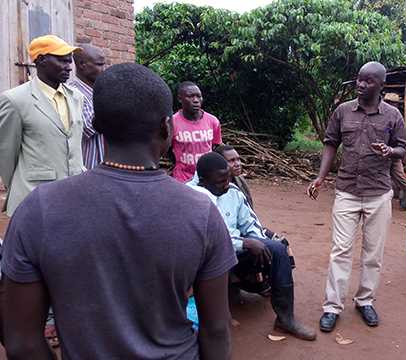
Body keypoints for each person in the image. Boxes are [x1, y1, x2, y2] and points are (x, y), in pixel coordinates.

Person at [1, 63, 236, 359]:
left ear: (97, 124)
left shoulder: (38, 209)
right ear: (167, 127)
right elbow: (216, 329)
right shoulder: (201, 212)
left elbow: (21, 342)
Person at [307, 61, 406, 332]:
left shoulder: (392, 116)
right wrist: (321, 176)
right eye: (360, 79)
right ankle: (332, 306)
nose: (362, 84)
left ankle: (365, 301)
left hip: (378, 192)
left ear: (381, 85)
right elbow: (330, 144)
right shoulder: (343, 111)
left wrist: (389, 151)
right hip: (347, 191)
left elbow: (402, 148)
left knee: (373, 253)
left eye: (369, 81)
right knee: (340, 250)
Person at [187, 152, 316, 341]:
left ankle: (285, 318)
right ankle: (218, 318)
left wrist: (260, 244)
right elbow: (208, 240)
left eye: (228, 179)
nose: (226, 185)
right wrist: (244, 243)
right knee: (218, 256)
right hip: (205, 259)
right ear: (203, 181)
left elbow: (250, 224)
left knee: (277, 249)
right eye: (220, 182)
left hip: (234, 250)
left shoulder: (232, 192)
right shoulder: (191, 197)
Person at [0, 34, 84, 216]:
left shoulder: (77, 97)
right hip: (35, 198)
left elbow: (75, 146)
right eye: (62, 61)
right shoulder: (15, 100)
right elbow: (6, 155)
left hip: (76, 196)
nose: (69, 67)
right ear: (41, 60)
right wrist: (20, 185)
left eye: (70, 61)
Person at [171, 81, 223, 183]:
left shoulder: (213, 121)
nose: (196, 100)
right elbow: (167, 148)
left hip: (208, 178)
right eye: (190, 96)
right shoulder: (172, 122)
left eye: (199, 96)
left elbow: (216, 146)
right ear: (180, 99)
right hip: (183, 179)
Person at [68, 43, 107, 169]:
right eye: (99, 64)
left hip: (107, 169)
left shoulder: (100, 91)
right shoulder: (72, 92)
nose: (104, 69)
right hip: (87, 168)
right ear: (82, 65)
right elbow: (91, 127)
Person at [216, 144, 255, 209]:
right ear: (220, 163)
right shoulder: (212, 186)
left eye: (238, 159)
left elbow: (249, 207)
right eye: (232, 160)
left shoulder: (240, 180)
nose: (238, 164)